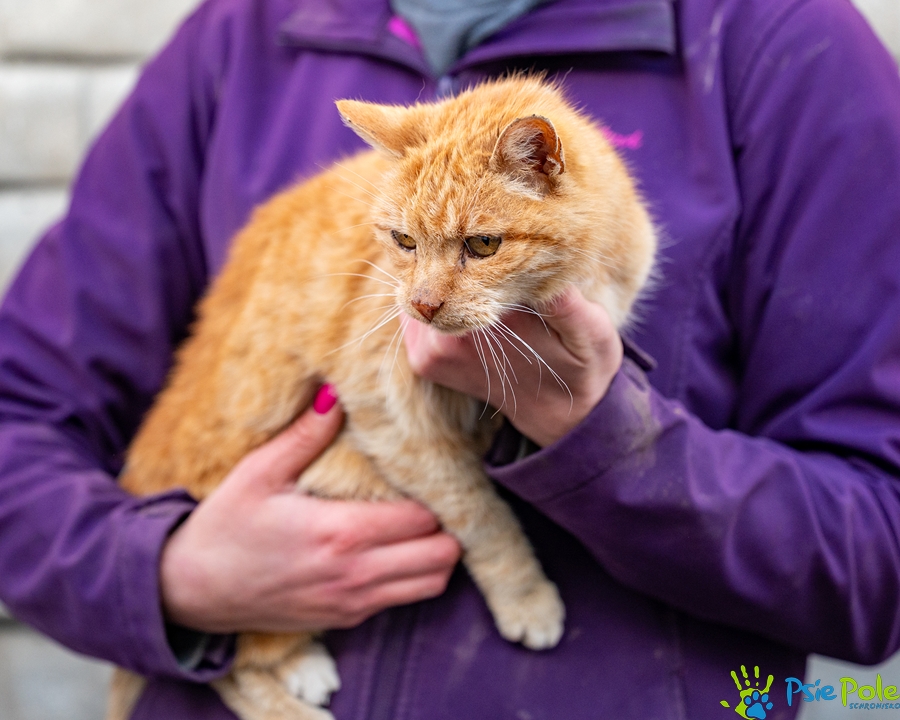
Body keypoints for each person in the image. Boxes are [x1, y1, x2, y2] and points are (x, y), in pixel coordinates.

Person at [1, 0, 899, 717]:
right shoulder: (237, 33)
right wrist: (162, 575)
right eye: (402, 245)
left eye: (475, 247)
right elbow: (19, 412)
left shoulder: (784, 43)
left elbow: (878, 559)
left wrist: (611, 442)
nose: (424, 300)